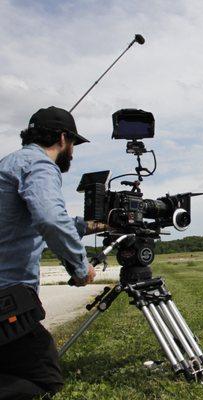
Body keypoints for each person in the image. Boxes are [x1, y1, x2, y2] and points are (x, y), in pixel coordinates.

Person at [0, 106, 106, 399]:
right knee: (44, 379)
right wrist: (79, 266)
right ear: (63, 138)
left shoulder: (9, 164)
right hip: (7, 297)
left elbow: (35, 218)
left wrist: (95, 225)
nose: (72, 151)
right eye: (73, 144)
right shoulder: (40, 165)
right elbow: (49, 219)